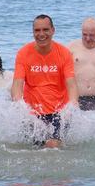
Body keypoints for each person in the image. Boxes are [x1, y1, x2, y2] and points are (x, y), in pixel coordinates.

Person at [12, 14, 79, 148]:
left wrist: (72, 106)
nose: (41, 34)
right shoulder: (23, 53)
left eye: (45, 30)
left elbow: (71, 85)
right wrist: (19, 106)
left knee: (52, 145)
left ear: (53, 30)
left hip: (59, 112)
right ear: (33, 32)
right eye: (37, 31)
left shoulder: (64, 53)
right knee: (36, 148)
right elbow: (17, 85)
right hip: (33, 112)